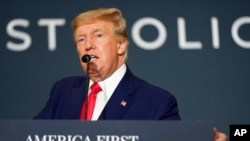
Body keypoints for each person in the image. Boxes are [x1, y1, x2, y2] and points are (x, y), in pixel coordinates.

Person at [34, 8, 227, 141]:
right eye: (81, 39)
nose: (88, 45)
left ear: (121, 45)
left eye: (98, 36)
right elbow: (29, 135)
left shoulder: (156, 102)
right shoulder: (63, 91)